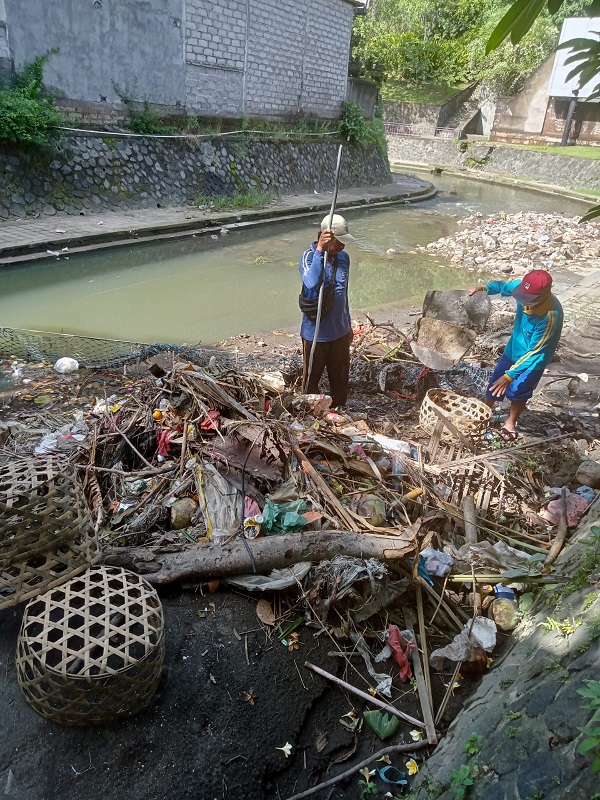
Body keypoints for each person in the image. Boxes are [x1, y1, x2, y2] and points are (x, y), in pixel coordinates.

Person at [469, 270, 563, 440]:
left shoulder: (550, 316)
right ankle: (485, 410)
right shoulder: (522, 289)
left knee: (519, 389)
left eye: (528, 301)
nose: (523, 303)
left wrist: (510, 376)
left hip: (534, 360)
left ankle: (511, 422)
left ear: (543, 296)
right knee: (496, 380)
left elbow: (535, 351)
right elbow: (503, 286)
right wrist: (483, 288)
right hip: (513, 349)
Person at [299, 213, 355, 409]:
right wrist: (320, 251)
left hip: (339, 332)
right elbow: (312, 282)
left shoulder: (343, 258)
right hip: (316, 335)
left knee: (340, 388)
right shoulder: (308, 257)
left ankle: (337, 412)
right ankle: (310, 414)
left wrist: (348, 325)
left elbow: (344, 294)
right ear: (326, 237)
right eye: (339, 242)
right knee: (310, 386)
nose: (342, 246)